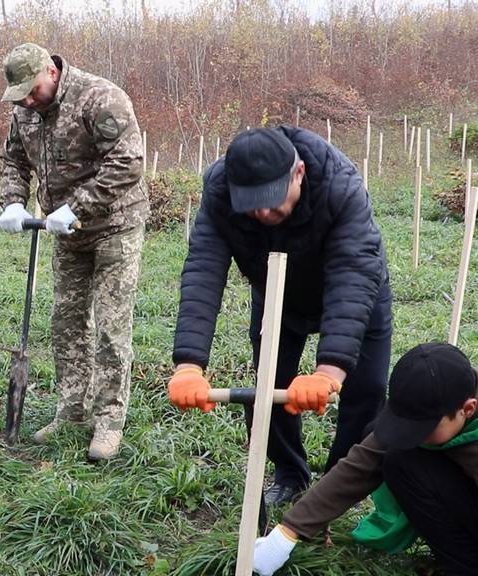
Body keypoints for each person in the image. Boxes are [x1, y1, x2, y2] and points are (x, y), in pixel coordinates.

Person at [168, 126, 392, 505]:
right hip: (277, 294)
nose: (262, 212)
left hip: (354, 292)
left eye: (272, 199)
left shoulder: (340, 185)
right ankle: (290, 473)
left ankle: (339, 484)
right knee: (268, 388)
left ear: (299, 173)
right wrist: (189, 363)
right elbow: (204, 268)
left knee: (366, 390)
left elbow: (352, 274)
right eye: (251, 203)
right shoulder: (220, 191)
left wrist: (329, 369)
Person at [0, 43, 148, 461]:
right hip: (65, 233)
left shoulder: (99, 97)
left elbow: (128, 162)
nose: (27, 100)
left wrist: (77, 206)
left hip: (113, 225)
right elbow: (13, 160)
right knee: (66, 320)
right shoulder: (24, 110)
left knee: (110, 325)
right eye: (20, 95)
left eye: (32, 90)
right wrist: (12, 200)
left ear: (51, 70)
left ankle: (109, 420)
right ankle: (72, 411)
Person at [254, 343, 478, 576]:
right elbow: (359, 466)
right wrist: (287, 533)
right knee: (398, 457)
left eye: (425, 428)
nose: (414, 434)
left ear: (468, 409)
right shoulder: (432, 400)